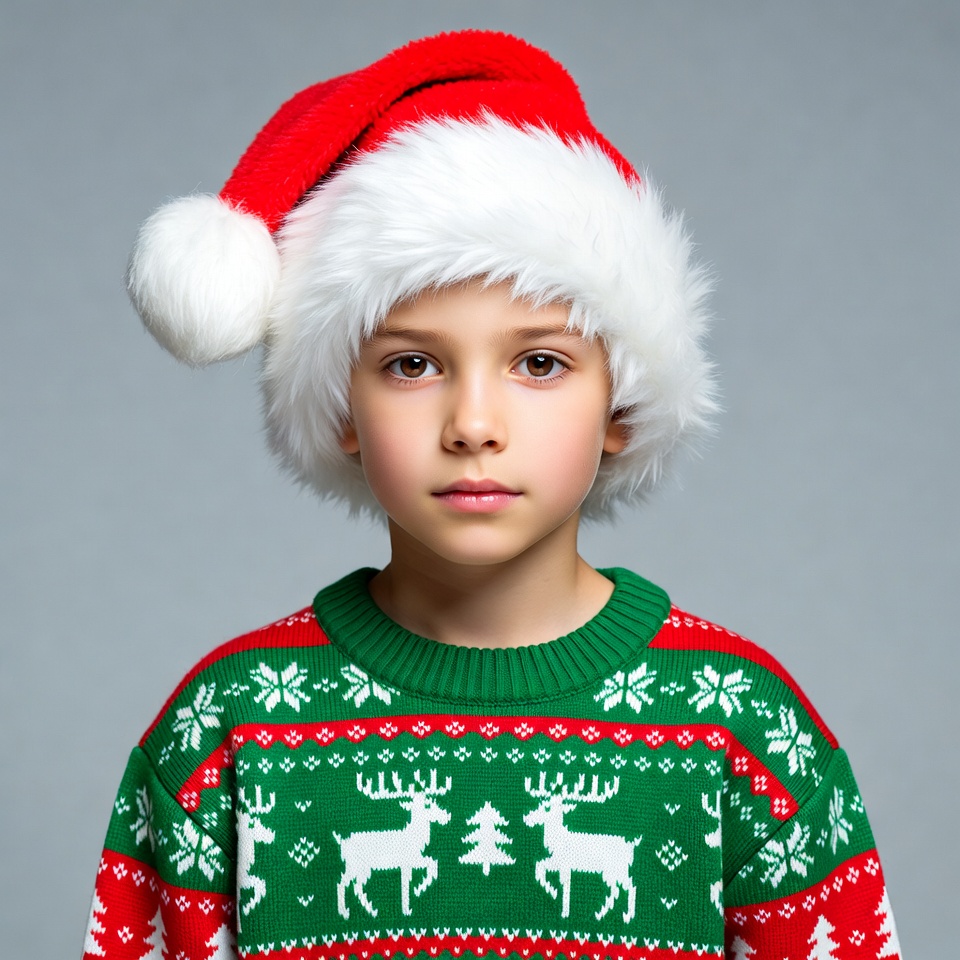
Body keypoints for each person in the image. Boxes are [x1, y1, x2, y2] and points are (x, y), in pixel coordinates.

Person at [81, 30, 900, 960]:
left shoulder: (744, 730)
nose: (474, 422)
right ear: (342, 408)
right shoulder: (226, 731)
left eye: (540, 363)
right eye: (413, 364)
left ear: (621, 405)